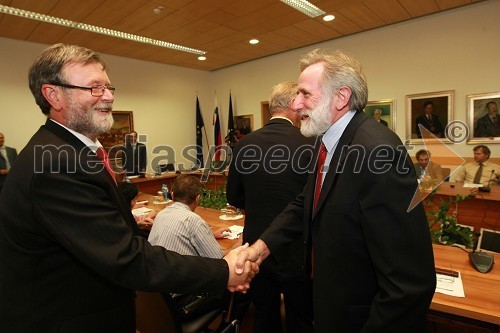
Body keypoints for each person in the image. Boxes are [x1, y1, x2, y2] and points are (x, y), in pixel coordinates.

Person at [0, 43, 256, 332]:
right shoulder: (57, 164)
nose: (108, 97)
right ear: (53, 95)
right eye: (94, 88)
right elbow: (125, 257)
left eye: (108, 87)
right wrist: (223, 271)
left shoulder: (67, 152)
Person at [234, 49, 436, 332]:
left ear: (341, 97)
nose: (296, 102)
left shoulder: (377, 152)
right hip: (328, 306)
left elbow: (410, 283)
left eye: (305, 93)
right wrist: (260, 248)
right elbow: (305, 202)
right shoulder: (324, 139)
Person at [226, 81, 315, 333]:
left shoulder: (244, 144)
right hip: (298, 247)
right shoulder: (312, 143)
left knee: (264, 314)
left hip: (256, 247)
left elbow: (234, 196)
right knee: (301, 317)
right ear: (293, 106)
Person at [148, 174, 236, 321]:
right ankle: (227, 326)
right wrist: (238, 245)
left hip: (157, 298)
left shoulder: (161, 214)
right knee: (234, 287)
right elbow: (220, 261)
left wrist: (210, 235)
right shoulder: (193, 221)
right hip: (180, 302)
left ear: (172, 195)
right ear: (198, 199)